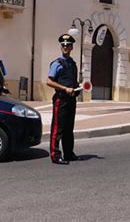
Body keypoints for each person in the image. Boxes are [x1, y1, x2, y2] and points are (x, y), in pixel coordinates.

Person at [47, 34, 81, 165]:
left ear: (72, 47)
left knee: (69, 128)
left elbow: (73, 81)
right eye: (63, 45)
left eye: (68, 45)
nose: (65, 47)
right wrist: (64, 88)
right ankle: (55, 155)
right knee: (57, 128)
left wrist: (78, 86)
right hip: (60, 99)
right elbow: (49, 81)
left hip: (71, 99)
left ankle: (68, 153)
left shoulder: (72, 64)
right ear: (61, 47)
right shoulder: (57, 63)